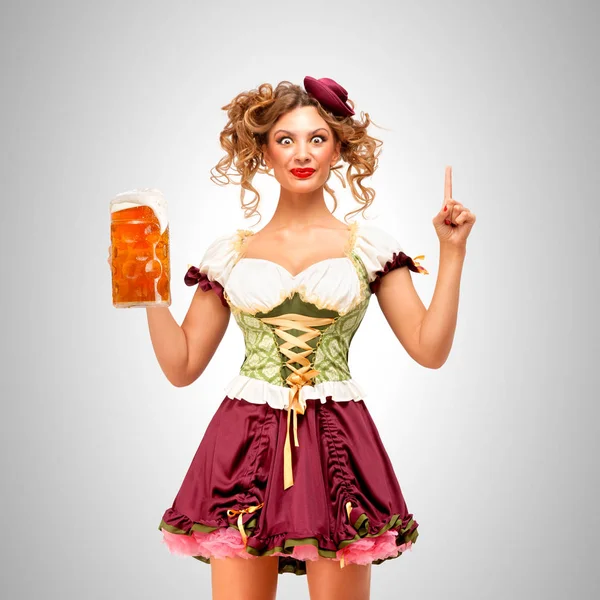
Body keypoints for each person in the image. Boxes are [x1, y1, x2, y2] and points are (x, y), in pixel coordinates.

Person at [138, 77, 474, 600]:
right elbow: (181, 367)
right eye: (285, 139)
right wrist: (150, 286)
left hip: (336, 438)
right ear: (263, 151)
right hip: (242, 441)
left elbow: (430, 351)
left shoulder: (370, 248)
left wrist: (451, 253)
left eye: (317, 138)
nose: (302, 153)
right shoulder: (229, 253)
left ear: (338, 149)